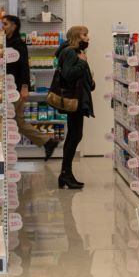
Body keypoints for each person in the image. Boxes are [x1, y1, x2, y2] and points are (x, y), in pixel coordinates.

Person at [2, 14, 59, 160]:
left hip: (15, 89)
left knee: (18, 122)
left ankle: (47, 142)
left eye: (5, 24)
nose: (2, 27)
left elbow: (24, 67)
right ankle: (47, 142)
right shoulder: (4, 42)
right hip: (6, 88)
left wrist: (24, 87)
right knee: (17, 122)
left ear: (14, 26)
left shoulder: (19, 44)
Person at [54, 25, 94, 189]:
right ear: (77, 36)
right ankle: (65, 174)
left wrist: (90, 80)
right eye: (85, 35)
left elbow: (85, 79)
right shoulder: (70, 52)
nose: (88, 38)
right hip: (74, 100)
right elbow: (68, 74)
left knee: (74, 135)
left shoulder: (78, 52)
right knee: (75, 136)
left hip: (79, 99)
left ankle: (66, 174)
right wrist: (83, 64)